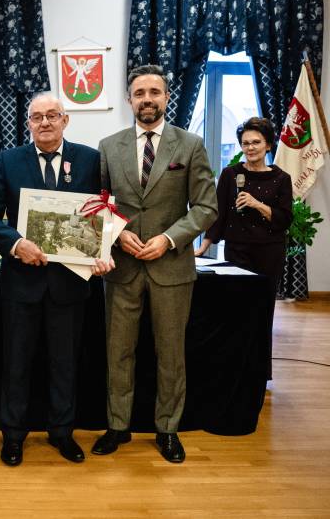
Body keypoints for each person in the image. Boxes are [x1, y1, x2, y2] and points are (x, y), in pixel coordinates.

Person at [0, 92, 113, 467]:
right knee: (16, 363)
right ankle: (13, 436)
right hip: (21, 283)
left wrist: (103, 250)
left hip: (70, 283)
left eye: (53, 115)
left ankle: (62, 432)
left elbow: (104, 210)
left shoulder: (89, 160)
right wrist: (15, 243)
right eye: (37, 117)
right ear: (29, 124)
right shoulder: (9, 160)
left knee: (65, 363)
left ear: (65, 120)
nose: (45, 122)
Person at [95, 64, 218, 463]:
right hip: (122, 268)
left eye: (154, 92)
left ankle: (167, 429)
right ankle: (117, 426)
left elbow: (206, 207)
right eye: (139, 93)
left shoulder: (190, 145)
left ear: (166, 97)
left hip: (172, 268)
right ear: (129, 100)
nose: (147, 99)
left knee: (170, 354)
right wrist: (117, 232)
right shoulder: (108, 146)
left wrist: (168, 239)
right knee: (118, 352)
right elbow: (99, 204)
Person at [195, 117, 293, 377]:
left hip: (269, 252)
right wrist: (204, 246)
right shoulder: (231, 174)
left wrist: (257, 204)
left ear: (268, 145)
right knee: (235, 309)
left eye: (256, 142)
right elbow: (218, 214)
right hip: (237, 251)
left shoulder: (281, 178)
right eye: (245, 143)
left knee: (263, 310)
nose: (250, 148)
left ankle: (259, 372)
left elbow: (284, 219)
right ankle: (234, 368)